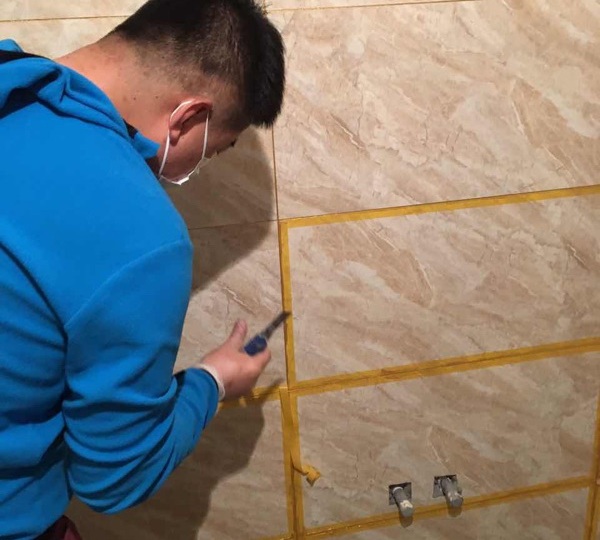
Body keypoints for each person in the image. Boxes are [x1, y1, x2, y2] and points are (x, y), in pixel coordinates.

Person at [0, 0, 285, 537]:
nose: (200, 167)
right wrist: (213, 381)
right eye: (213, 152)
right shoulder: (140, 234)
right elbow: (116, 479)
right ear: (189, 118)